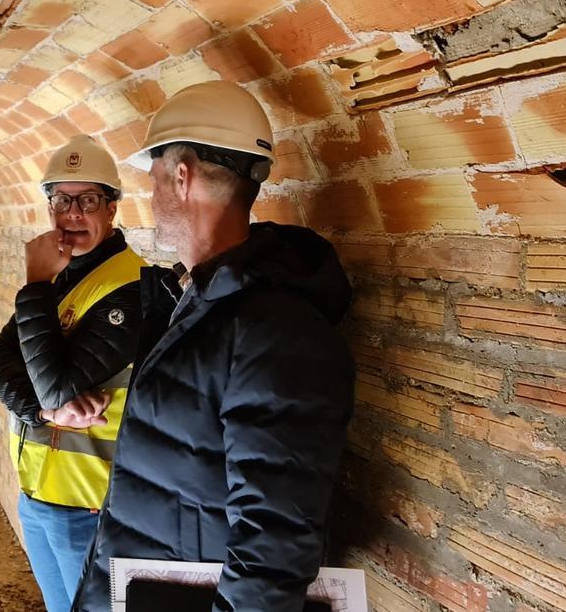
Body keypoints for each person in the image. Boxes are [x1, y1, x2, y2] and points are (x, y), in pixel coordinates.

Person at [73, 82, 356, 611]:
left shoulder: (276, 331)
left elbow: (274, 539)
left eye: (154, 180)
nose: (152, 198)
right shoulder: (198, 299)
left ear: (181, 178)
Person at [0, 135, 147, 612]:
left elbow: (58, 385)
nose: (72, 212)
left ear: (112, 208)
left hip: (91, 509)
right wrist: (41, 413)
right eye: (61, 199)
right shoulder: (59, 277)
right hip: (37, 498)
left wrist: (34, 286)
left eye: (88, 200)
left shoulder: (131, 288)